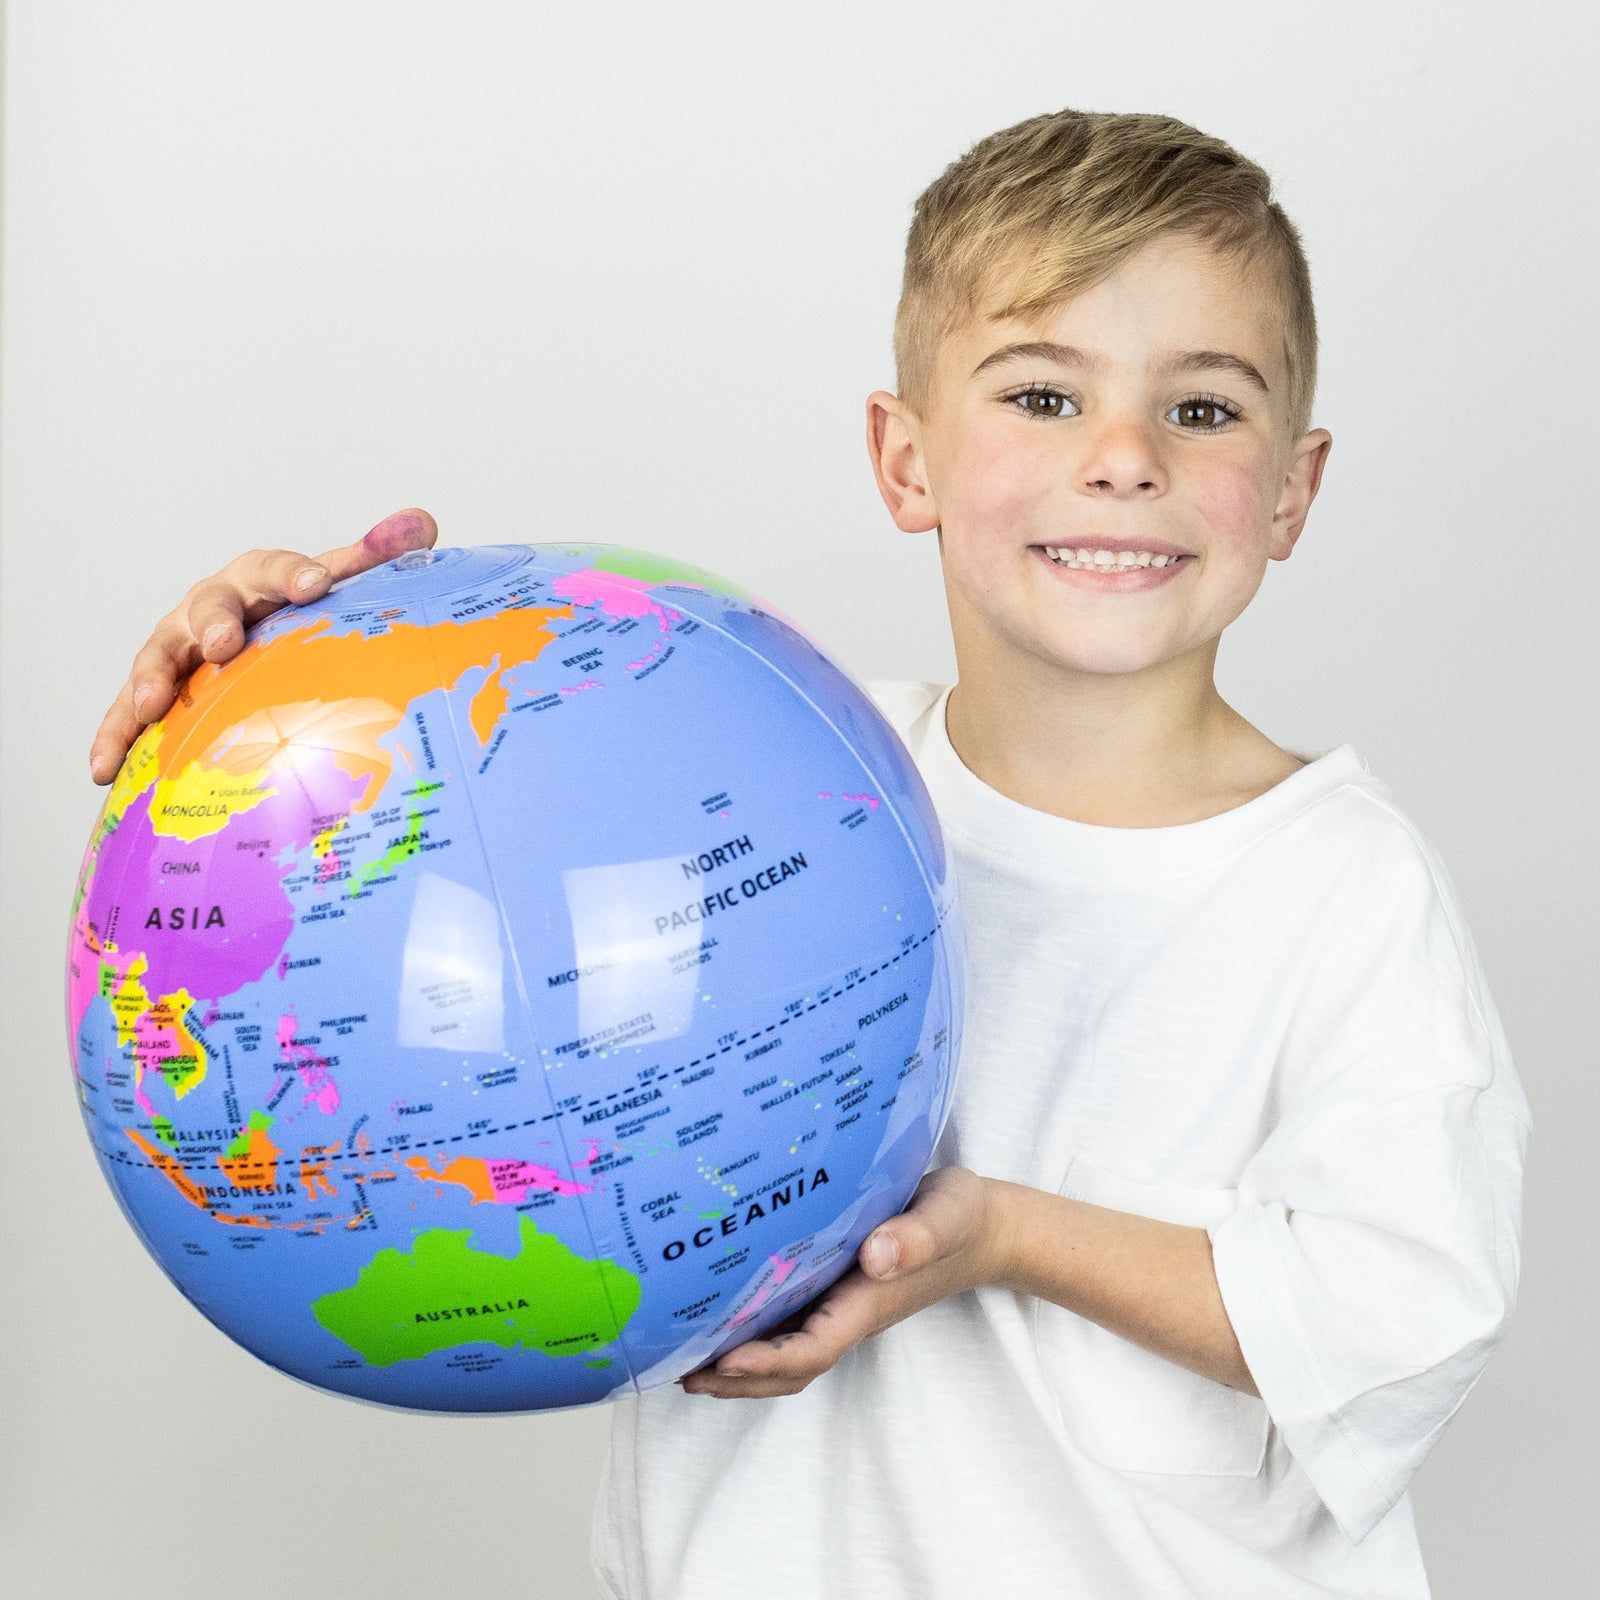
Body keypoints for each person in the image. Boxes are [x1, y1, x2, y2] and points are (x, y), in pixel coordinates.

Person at [89, 108, 1530, 1599]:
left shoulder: (1341, 884)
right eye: (1043, 395)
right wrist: (272, 684)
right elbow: (462, 800)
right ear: (905, 460)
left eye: (1205, 409)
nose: (1123, 460)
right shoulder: (763, 778)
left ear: (1293, 488)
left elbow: (1403, 1318)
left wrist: (1004, 1238)